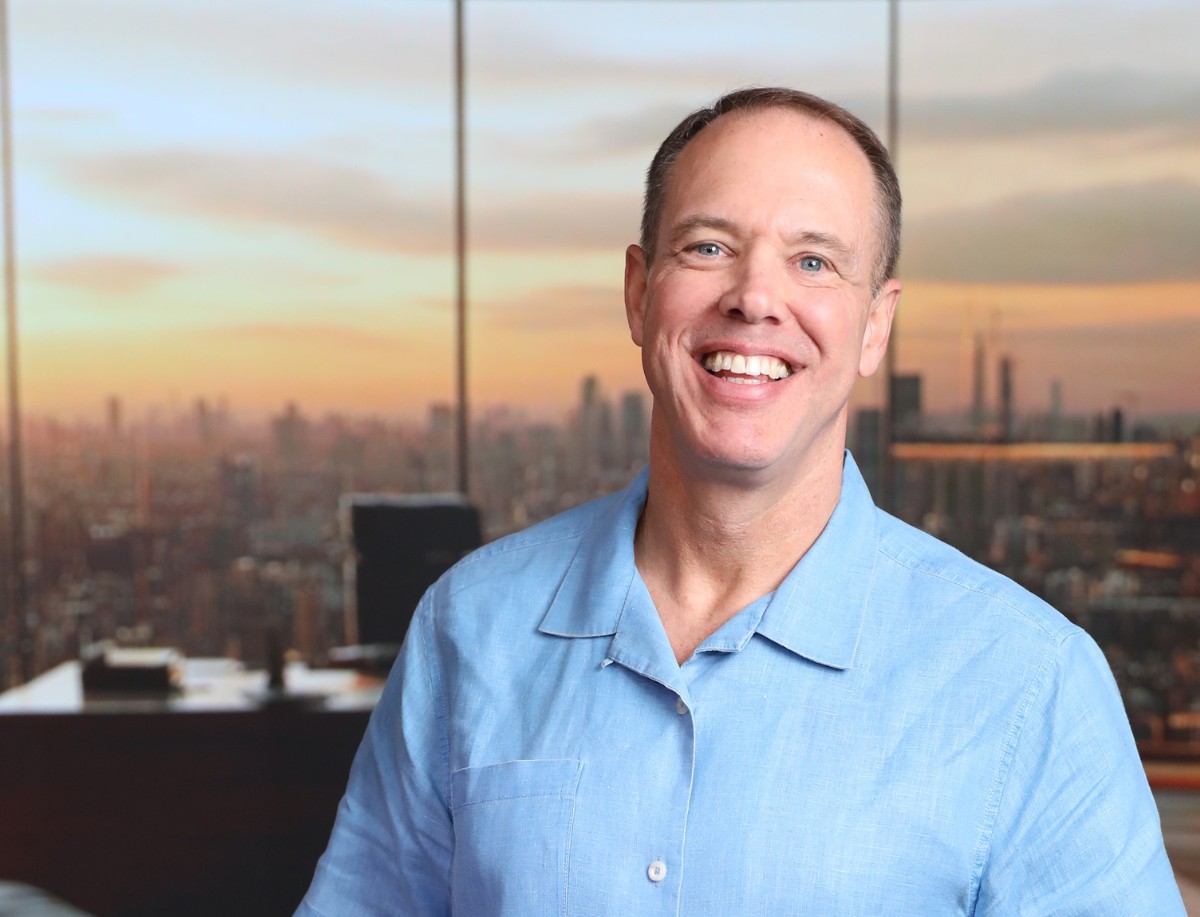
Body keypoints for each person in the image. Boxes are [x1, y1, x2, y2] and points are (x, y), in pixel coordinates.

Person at [296, 87, 1184, 915]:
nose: (756, 297)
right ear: (639, 293)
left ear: (876, 324)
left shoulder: (1029, 682)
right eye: (708, 247)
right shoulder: (471, 627)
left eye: (813, 261)